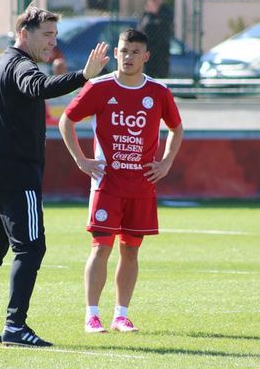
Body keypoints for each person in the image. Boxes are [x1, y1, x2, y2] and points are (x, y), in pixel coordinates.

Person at [0, 4, 109, 347]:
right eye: (46, 35)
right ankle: (15, 327)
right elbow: (39, 88)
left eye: (55, 36)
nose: (52, 42)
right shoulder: (20, 66)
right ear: (24, 33)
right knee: (31, 248)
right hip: (16, 174)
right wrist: (83, 77)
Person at [58, 28, 183, 333]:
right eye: (124, 51)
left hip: (141, 186)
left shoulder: (158, 92)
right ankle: (91, 315)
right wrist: (80, 159)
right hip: (107, 184)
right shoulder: (99, 87)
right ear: (116, 53)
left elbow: (176, 129)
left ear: (146, 57)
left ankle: (121, 315)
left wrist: (166, 162)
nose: (128, 57)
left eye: (135, 52)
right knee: (101, 247)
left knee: (131, 250)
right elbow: (67, 120)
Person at [137, 0, 173, 78]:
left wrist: (154, 12)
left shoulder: (166, 12)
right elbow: (142, 28)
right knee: (148, 75)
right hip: (148, 50)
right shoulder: (147, 14)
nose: (152, 1)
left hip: (161, 51)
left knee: (162, 76)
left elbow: (160, 26)